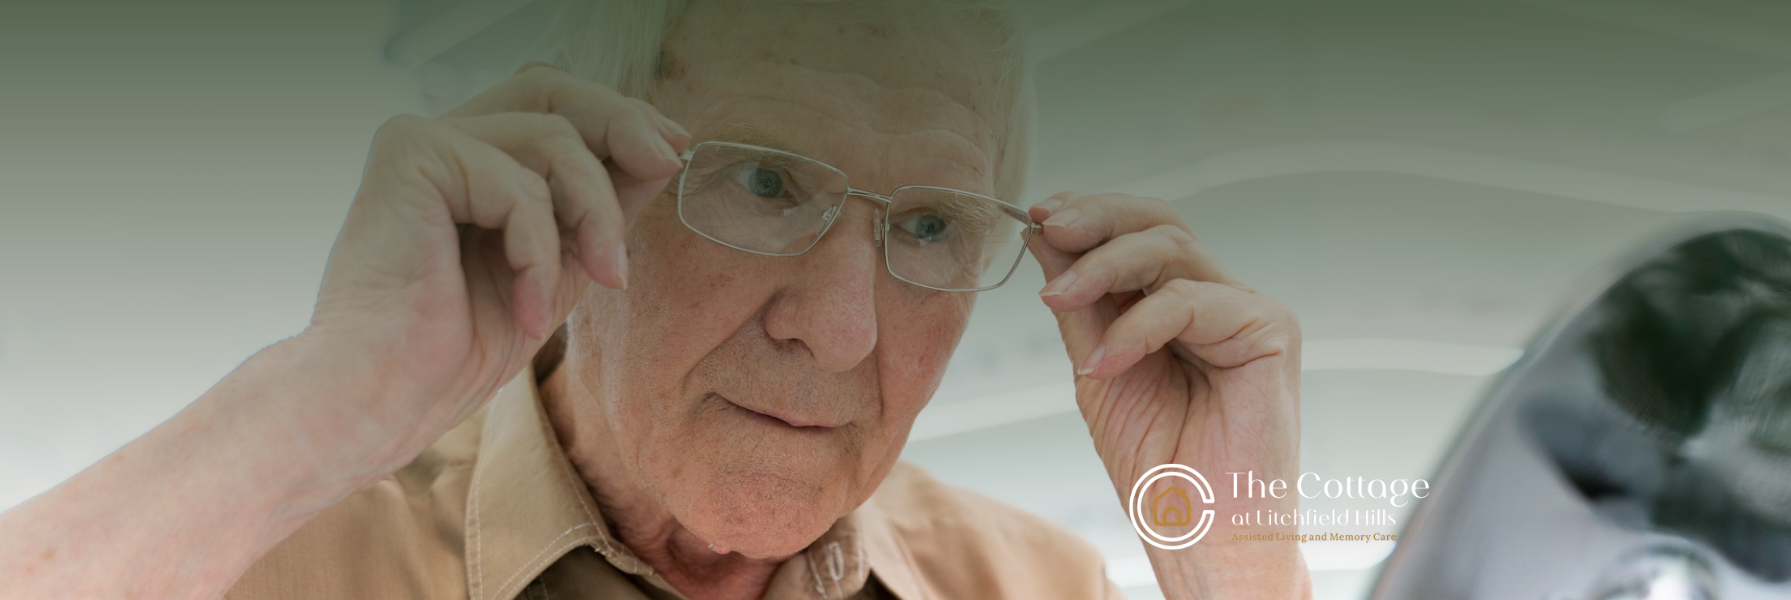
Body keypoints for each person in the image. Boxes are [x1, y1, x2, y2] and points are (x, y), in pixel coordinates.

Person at [0, 0, 1310, 598]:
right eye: (765, 182)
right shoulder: (262, 560)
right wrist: (318, 402)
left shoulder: (1031, 586)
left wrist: (1234, 563)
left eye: (927, 226)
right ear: (575, 166)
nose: (841, 331)